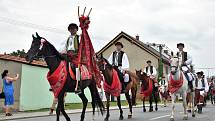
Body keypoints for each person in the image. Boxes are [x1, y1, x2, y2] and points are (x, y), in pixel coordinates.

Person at [59, 23, 81, 94]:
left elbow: (82, 47)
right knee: (60, 66)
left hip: (76, 56)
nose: (72, 30)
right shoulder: (67, 39)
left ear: (76, 30)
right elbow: (64, 48)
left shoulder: (79, 37)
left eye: (74, 28)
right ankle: (58, 83)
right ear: (69, 30)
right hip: (67, 55)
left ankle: (78, 85)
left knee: (76, 68)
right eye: (71, 29)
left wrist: (77, 53)